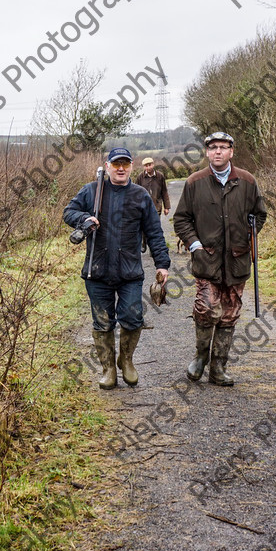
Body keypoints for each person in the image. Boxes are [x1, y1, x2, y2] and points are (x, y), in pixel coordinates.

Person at [63, 148, 170, 390]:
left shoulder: (140, 195)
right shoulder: (91, 191)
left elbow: (154, 233)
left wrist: (162, 264)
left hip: (130, 272)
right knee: (102, 322)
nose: (120, 168)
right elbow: (68, 212)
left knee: (132, 319)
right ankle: (108, 369)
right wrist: (85, 220)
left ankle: (127, 360)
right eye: (116, 164)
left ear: (132, 166)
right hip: (97, 270)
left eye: (125, 164)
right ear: (107, 165)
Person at [173, 132, 267, 386]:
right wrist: (195, 245)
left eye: (223, 148)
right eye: (213, 147)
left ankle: (218, 367)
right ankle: (200, 357)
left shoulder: (247, 181)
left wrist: (247, 237)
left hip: (237, 260)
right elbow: (181, 218)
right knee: (205, 309)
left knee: (229, 314)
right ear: (206, 152)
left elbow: (259, 214)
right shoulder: (195, 182)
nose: (217, 152)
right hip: (208, 260)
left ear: (231, 152)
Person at [136, 157, 171, 253]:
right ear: (144, 167)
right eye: (146, 166)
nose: (148, 167)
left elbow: (164, 192)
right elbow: (135, 192)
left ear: (153, 164)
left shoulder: (160, 176)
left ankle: (153, 249)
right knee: (143, 227)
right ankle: (144, 243)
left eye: (149, 165)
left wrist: (167, 207)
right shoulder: (140, 177)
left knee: (155, 228)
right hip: (143, 207)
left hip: (156, 207)